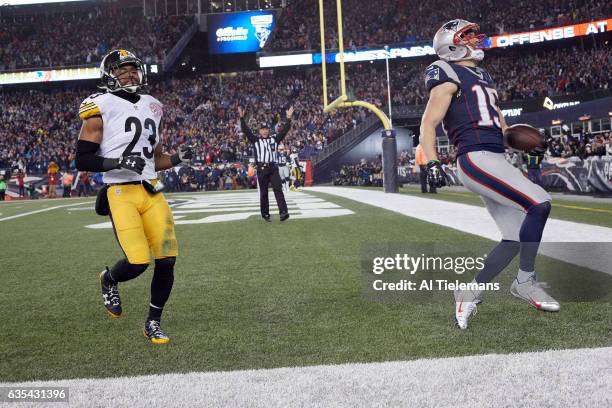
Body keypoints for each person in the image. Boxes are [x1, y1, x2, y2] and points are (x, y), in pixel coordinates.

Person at [419, 20, 558, 330]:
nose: (474, 39)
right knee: (539, 203)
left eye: (473, 34)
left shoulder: (484, 75)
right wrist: (431, 161)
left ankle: (468, 292)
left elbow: (503, 128)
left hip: (495, 156)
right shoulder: (445, 71)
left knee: (512, 238)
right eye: (466, 35)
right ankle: (525, 281)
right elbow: (428, 123)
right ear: (450, 45)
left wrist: (524, 145)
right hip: (475, 157)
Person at [75, 49, 193, 344]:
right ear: (109, 75)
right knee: (138, 261)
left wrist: (178, 158)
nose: (129, 74)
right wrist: (117, 163)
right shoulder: (98, 105)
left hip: (151, 190)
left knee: (167, 260)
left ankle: (153, 321)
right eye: (122, 70)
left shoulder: (153, 106)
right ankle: (109, 279)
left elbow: (155, 159)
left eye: (133, 69)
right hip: (120, 191)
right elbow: (83, 159)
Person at [239, 105, 293, 222]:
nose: (264, 131)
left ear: (268, 130)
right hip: (262, 169)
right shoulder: (256, 140)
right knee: (263, 192)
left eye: (266, 129)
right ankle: (265, 214)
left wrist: (288, 119)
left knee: (278, 190)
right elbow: (246, 131)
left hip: (273, 168)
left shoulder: (274, 139)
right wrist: (242, 118)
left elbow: (284, 131)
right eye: (262, 129)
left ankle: (283, 212)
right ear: (259, 131)